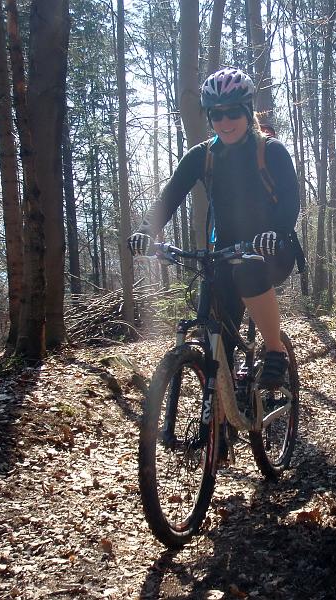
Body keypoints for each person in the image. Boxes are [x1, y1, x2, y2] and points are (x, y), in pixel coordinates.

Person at [128, 67, 300, 389]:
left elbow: (291, 200)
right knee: (216, 331)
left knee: (248, 271)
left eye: (233, 112)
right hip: (224, 251)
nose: (225, 121)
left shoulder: (270, 150)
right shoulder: (202, 155)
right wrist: (145, 230)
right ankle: (223, 403)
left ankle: (275, 350)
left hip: (273, 248)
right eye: (216, 114)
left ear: (247, 111)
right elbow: (170, 196)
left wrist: (277, 231)